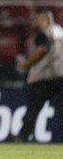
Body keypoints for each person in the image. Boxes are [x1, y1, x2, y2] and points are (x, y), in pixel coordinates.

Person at [16, 11, 63, 142]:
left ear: (44, 20)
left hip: (42, 77)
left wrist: (25, 64)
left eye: (39, 20)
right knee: (61, 109)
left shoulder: (44, 33)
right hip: (60, 76)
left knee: (33, 109)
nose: (37, 22)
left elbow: (41, 50)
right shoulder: (60, 32)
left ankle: (23, 136)